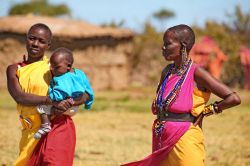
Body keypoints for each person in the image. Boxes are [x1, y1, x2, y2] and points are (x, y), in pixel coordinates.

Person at [122, 24, 241, 166]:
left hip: (185, 138)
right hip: (162, 138)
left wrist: (208, 111)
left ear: (183, 46)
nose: (163, 48)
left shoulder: (197, 73)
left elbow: (233, 98)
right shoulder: (167, 71)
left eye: (168, 44)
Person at [6, 23, 91, 166]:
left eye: (41, 41)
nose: (35, 44)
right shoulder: (15, 69)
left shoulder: (56, 67)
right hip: (31, 131)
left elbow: (85, 94)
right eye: (32, 38)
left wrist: (69, 103)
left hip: (57, 126)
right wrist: (50, 100)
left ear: (48, 45)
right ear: (26, 39)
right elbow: (19, 96)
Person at [34, 47, 94, 139]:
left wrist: (50, 97)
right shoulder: (79, 73)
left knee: (41, 107)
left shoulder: (62, 78)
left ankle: (45, 125)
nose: (52, 70)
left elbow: (58, 95)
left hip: (66, 106)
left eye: (56, 67)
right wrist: (88, 104)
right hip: (75, 107)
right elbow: (88, 90)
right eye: (52, 67)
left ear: (68, 66)